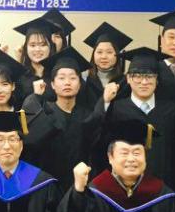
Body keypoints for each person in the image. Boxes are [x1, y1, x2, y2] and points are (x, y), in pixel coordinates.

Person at [99, 47, 175, 196]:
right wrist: (105, 102)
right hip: (126, 189)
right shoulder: (116, 109)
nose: (144, 82)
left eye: (149, 76)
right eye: (137, 76)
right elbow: (99, 140)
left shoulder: (172, 110)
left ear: (157, 80)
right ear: (128, 79)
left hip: (165, 185)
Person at [23, 47, 118, 189]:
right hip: (48, 187)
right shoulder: (44, 112)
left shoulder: (88, 115)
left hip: (81, 187)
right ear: (53, 84)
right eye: (61, 78)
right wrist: (36, 97)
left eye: (73, 78)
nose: (67, 82)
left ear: (79, 84)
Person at [82, 22, 132, 108]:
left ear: (117, 54)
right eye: (99, 52)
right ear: (93, 55)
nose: (104, 57)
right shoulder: (84, 79)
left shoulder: (125, 82)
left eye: (109, 52)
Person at [13, 17, 62, 101]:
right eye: (32, 45)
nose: (37, 49)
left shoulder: (58, 74)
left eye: (43, 45)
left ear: (50, 47)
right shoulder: (20, 77)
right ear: (26, 48)